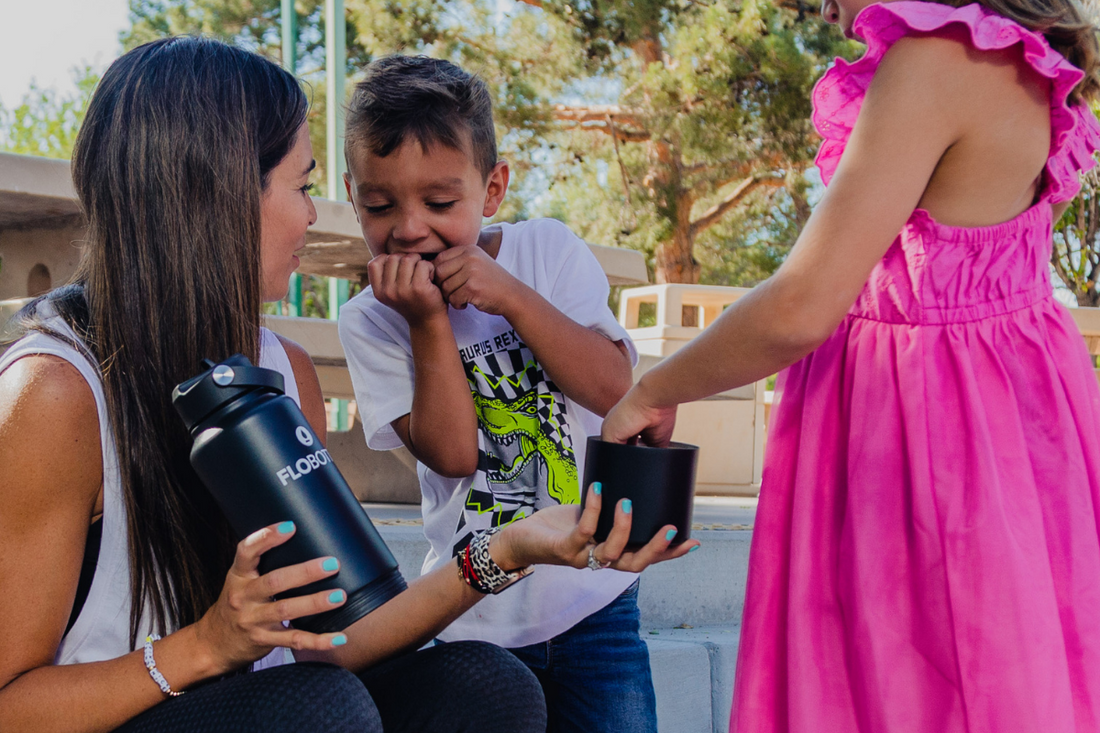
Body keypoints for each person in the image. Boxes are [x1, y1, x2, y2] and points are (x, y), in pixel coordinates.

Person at [0, 37, 692, 733]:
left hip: (272, 701)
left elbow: (343, 640)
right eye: (302, 187)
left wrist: (508, 548)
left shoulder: (282, 370)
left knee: (483, 683)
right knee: (321, 708)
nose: (312, 215)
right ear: (217, 193)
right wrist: (206, 645)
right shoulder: (56, 391)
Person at [601, 0, 1100, 730]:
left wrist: (654, 388)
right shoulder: (1028, 70)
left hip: (918, 445)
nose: (806, 6)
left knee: (899, 693)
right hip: (1012, 441)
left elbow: (802, 305)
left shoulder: (934, 61)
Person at [337, 55, 693, 733]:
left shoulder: (547, 252)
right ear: (355, 197)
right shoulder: (371, 318)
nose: (410, 227)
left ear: (492, 188)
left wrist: (513, 298)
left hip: (597, 593)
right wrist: (428, 322)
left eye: (440, 202)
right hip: (476, 610)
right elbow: (453, 454)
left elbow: (615, 386)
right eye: (381, 206)